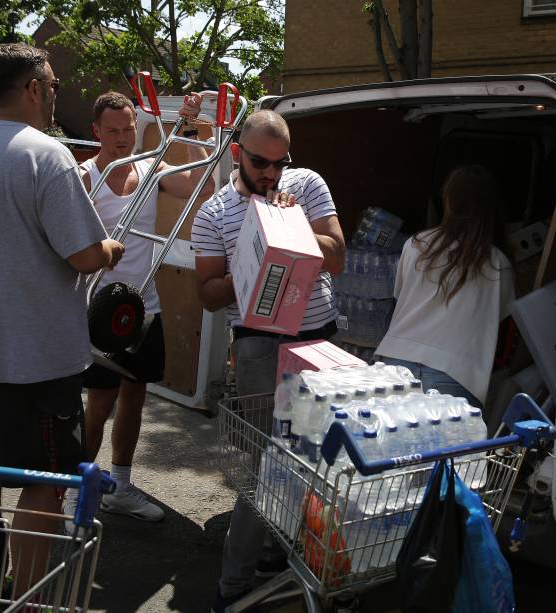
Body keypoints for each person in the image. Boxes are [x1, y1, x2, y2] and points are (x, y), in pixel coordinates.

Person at [0, 42, 123, 595]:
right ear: (35, 87)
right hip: (33, 356)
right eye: (55, 85)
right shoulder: (47, 154)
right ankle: (28, 599)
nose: (57, 95)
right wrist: (109, 249)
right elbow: (84, 256)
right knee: (44, 480)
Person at [190, 109, 345, 611]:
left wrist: (291, 229)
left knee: (322, 459)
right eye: (261, 162)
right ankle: (232, 585)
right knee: (268, 467)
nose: (272, 174)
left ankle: (281, 555)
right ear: (237, 151)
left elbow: (338, 255)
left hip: (318, 337)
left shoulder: (307, 185)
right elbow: (209, 294)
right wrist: (252, 260)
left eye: (281, 163)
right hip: (259, 345)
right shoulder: (213, 213)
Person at [61, 91, 214, 527]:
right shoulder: (85, 177)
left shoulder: (152, 168)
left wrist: (187, 130)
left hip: (143, 307)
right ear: (96, 131)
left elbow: (197, 188)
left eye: (128, 128)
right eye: (113, 130)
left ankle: (121, 486)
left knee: (135, 397)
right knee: (99, 403)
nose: (123, 137)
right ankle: (79, 493)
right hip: (98, 312)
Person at [375, 165, 515, 408]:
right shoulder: (497, 263)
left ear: (448, 200)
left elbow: (399, 296)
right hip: (456, 373)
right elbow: (501, 318)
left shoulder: (416, 245)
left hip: (395, 362)